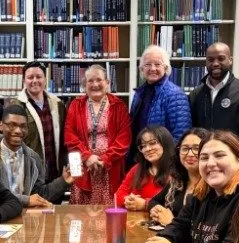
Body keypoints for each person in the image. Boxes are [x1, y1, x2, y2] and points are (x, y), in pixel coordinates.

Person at [142, 130, 239, 243]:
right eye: (204, 158)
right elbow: (178, 226)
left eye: (219, 155)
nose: (210, 163)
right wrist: (159, 241)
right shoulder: (200, 194)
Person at [64, 65, 132, 204]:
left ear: (107, 83)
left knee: (108, 211)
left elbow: (124, 139)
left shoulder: (119, 106)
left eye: (99, 80)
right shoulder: (75, 105)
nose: (95, 84)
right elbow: (69, 136)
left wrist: (105, 159)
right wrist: (87, 157)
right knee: (80, 214)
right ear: (84, 85)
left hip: (110, 166)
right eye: (90, 81)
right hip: (82, 165)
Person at [0, 104, 71, 207]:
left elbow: (39, 195)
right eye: (12, 125)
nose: (18, 131)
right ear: (1, 125)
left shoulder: (34, 158)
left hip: (25, 217)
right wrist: (26, 200)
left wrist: (63, 181)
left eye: (23, 126)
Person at [188, 41, 239, 149]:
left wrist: (234, 152)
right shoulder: (195, 94)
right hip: (203, 154)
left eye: (221, 58)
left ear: (230, 60)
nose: (215, 63)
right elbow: (193, 128)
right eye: (210, 60)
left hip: (233, 155)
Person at [129, 45, 192, 161]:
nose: (152, 68)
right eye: (148, 64)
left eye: (157, 64)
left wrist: (166, 161)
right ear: (142, 69)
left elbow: (181, 134)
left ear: (166, 68)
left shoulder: (175, 95)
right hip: (141, 157)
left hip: (163, 161)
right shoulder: (139, 94)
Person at [12, 61, 67, 183]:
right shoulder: (16, 107)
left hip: (55, 173)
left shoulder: (57, 104)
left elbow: (64, 139)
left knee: (55, 202)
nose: (35, 81)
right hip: (30, 174)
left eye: (39, 77)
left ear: (45, 79)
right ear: (24, 81)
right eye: (30, 77)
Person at [147, 128, 211, 226]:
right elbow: (154, 201)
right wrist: (156, 210)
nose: (190, 154)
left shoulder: (213, 187)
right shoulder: (178, 182)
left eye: (196, 149)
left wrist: (171, 222)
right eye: (185, 148)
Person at [116, 126, 177, 210]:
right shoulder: (137, 168)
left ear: (165, 143)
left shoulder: (177, 170)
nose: (147, 149)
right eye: (143, 146)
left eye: (152, 143)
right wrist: (128, 200)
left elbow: (175, 205)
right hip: (136, 220)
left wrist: (144, 204)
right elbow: (118, 195)